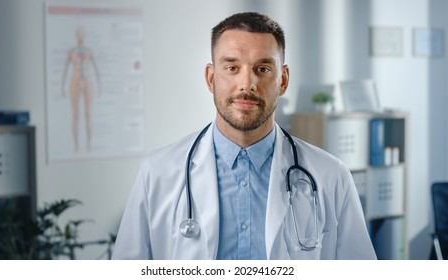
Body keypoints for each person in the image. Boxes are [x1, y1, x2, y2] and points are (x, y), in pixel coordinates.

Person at [112, 12, 376, 260]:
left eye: (262, 69)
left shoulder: (331, 176)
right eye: (232, 68)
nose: (246, 83)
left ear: (283, 80)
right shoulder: (157, 172)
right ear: (211, 78)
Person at [61, 26, 101, 153]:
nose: (80, 36)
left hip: (87, 82)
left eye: (81, 34)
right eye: (78, 34)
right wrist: (62, 86)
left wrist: (100, 85)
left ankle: (89, 145)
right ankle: (76, 146)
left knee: (88, 114)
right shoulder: (71, 52)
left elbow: (95, 69)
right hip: (75, 81)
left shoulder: (89, 52)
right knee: (75, 115)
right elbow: (65, 70)